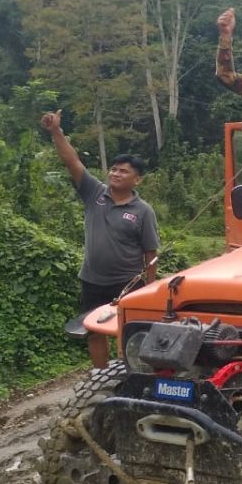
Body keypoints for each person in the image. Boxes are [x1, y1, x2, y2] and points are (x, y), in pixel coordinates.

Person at [40, 110, 159, 369]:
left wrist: (150, 287)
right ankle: (99, 375)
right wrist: (56, 132)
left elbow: (151, 252)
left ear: (136, 179)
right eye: (114, 169)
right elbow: (72, 163)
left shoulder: (143, 211)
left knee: (130, 332)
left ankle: (131, 375)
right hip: (92, 281)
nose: (115, 174)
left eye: (123, 171)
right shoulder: (94, 193)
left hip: (128, 284)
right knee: (94, 330)